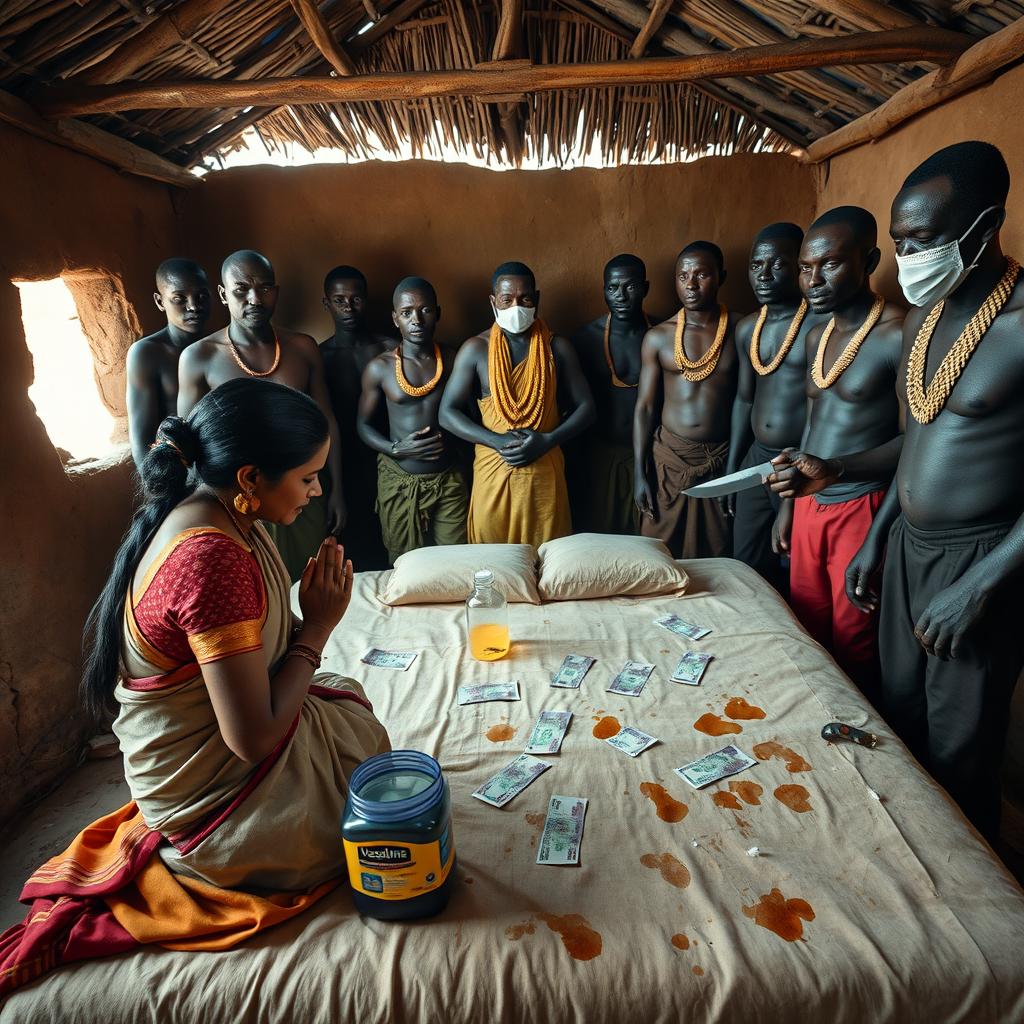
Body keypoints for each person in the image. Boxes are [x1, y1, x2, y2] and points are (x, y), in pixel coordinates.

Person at [0, 379, 389, 997]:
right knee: (365, 807)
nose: (318, 490)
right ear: (252, 477)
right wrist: (315, 629)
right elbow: (255, 739)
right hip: (213, 794)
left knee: (353, 729)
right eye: (308, 476)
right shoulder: (211, 560)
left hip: (215, 743)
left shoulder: (215, 510)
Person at [772, 142, 1024, 842]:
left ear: (983, 228)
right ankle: (910, 864)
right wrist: (844, 486)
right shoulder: (926, 318)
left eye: (924, 240)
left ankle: (976, 907)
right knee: (897, 716)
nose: (909, 257)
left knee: (959, 748)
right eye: (902, 240)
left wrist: (979, 587)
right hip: (906, 549)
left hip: (981, 560)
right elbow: (913, 446)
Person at [771, 207, 904, 698]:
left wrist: (876, 537)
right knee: (807, 627)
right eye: (806, 267)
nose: (813, 280)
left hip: (863, 506)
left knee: (855, 640)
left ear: (869, 260)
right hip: (809, 503)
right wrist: (789, 506)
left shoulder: (897, 333)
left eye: (830, 265)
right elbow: (812, 423)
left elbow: (915, 441)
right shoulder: (816, 335)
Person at [178, 250, 346, 580]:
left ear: (276, 292)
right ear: (224, 295)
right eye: (242, 289)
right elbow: (189, 447)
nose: (255, 298)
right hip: (238, 500)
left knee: (306, 583)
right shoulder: (199, 357)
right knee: (250, 589)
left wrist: (337, 489)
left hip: (302, 493)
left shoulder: (301, 348)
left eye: (265, 288)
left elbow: (327, 424)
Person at [439, 261, 594, 547]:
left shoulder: (557, 347)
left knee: (548, 565)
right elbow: (447, 413)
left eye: (525, 299)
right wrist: (496, 441)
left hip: (544, 475)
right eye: (506, 300)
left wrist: (548, 440)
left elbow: (587, 407)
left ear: (538, 300)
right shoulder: (476, 349)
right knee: (492, 564)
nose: (516, 307)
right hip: (493, 473)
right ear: (493, 302)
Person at [727, 224, 822, 591]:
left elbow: (819, 409)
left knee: (795, 567)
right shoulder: (748, 328)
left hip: (799, 462)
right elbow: (744, 399)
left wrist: (803, 474)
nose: (763, 276)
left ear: (799, 267)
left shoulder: (820, 324)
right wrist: (736, 464)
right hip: (756, 458)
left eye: (778, 266)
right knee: (744, 565)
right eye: (756, 266)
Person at [634, 241, 740, 558]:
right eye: (683, 276)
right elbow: (645, 407)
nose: (691, 285)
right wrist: (641, 472)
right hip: (668, 459)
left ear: (721, 277)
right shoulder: (659, 336)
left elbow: (744, 402)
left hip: (719, 462)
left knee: (716, 553)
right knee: (657, 552)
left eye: (701, 275)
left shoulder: (741, 329)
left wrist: (734, 468)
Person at [357, 277, 467, 564]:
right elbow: (363, 425)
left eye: (425, 310)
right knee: (405, 565)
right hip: (399, 480)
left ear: (438, 313)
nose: (416, 320)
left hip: (449, 478)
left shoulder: (456, 359)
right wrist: (396, 448)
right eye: (406, 313)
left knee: (455, 561)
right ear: (395, 318)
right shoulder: (379, 368)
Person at [569, 253, 652, 535]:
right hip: (600, 457)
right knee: (600, 542)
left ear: (645, 289)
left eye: (630, 287)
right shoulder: (586, 339)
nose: (621, 296)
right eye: (612, 288)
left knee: (647, 539)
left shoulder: (662, 335)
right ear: (604, 290)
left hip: (651, 454)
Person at [321, 265, 394, 571]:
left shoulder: (391, 348)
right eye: (339, 300)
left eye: (356, 299)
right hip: (341, 463)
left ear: (366, 300)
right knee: (352, 552)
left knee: (391, 546)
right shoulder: (319, 355)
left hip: (389, 458)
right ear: (327, 303)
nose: (348, 307)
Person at [126, 259, 211, 471]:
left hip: (221, 468)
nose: (193, 306)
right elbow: (141, 439)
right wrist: (161, 492)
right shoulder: (147, 353)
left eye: (201, 296)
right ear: (160, 301)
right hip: (176, 471)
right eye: (179, 299)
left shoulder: (219, 346)